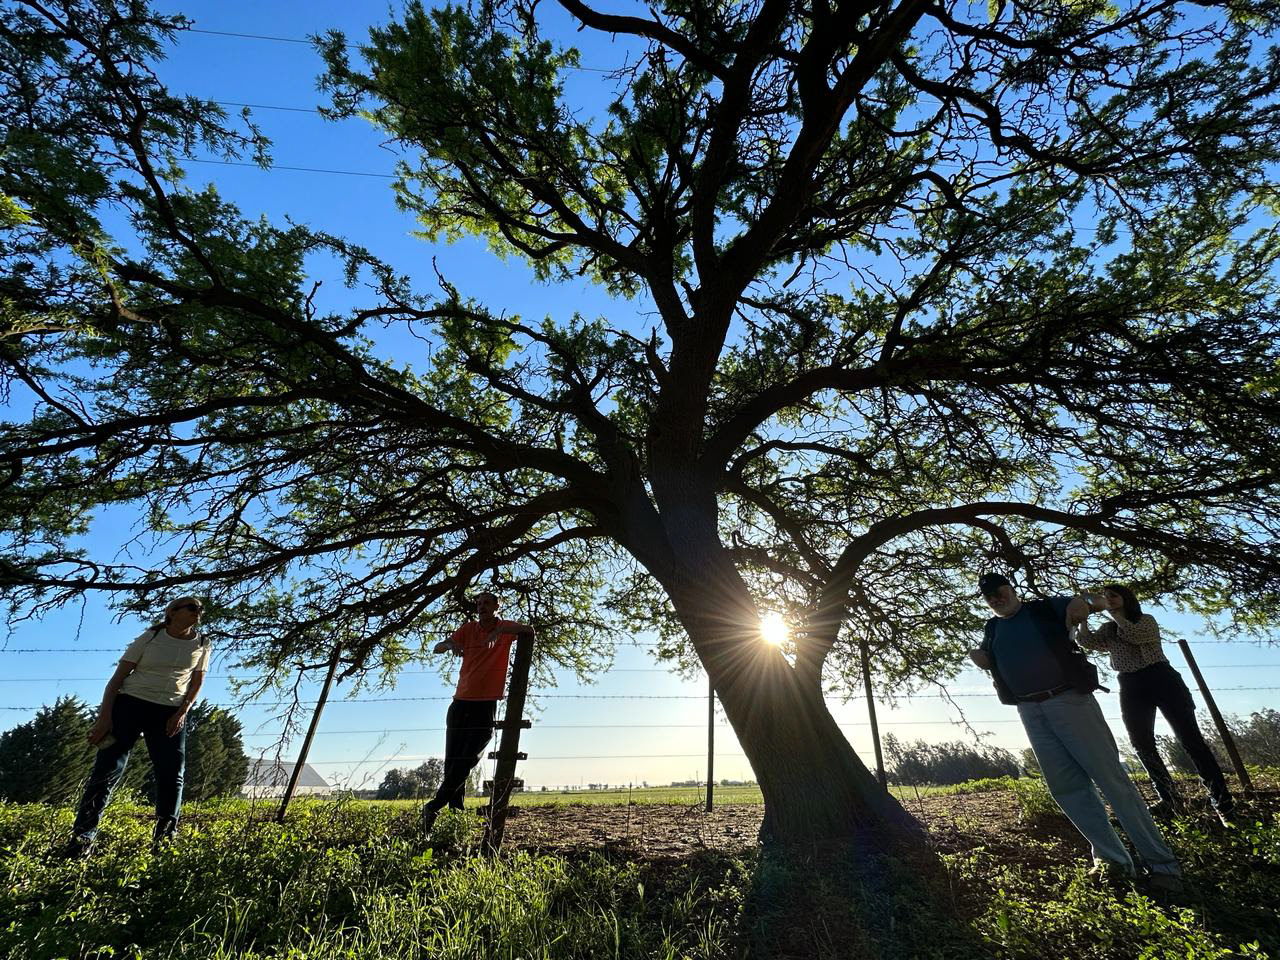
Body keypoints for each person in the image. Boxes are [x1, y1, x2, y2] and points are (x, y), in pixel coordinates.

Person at [969, 573, 1184, 893]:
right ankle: (1114, 862)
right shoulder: (993, 628)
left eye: (999, 591)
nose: (996, 599)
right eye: (989, 597)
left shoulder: (1043, 609)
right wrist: (980, 658)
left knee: (1111, 780)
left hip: (1068, 700)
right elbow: (990, 657)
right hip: (1029, 710)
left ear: (1011, 589)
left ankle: (1163, 865)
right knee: (1067, 788)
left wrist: (1084, 604)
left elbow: (1090, 604)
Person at [1078, 583, 1234, 824]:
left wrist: (1113, 614)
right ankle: (1169, 800)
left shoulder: (1145, 620)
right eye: (1105, 597)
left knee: (1191, 741)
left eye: (1114, 596)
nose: (1108, 600)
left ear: (1126, 598)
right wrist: (1084, 615)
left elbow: (1134, 635)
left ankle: (1223, 804)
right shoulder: (1108, 628)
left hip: (1162, 678)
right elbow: (1087, 641)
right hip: (1130, 684)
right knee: (1141, 743)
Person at [66, 596, 209, 857]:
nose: (197, 612)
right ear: (173, 612)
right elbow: (116, 680)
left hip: (170, 711)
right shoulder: (150, 638)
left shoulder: (202, 643)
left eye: (200, 609)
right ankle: (82, 840)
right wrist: (104, 717)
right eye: (191, 608)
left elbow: (197, 683)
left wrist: (182, 712)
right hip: (131, 704)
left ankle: (164, 841)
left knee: (171, 775)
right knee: (107, 771)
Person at [419, 591, 534, 836]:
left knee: (469, 757)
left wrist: (499, 632)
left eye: (486, 603)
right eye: (478, 603)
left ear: (496, 606)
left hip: (485, 703)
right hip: (460, 703)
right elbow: (439, 647)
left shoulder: (505, 628)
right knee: (453, 762)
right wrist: (450, 644)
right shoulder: (468, 628)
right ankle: (454, 814)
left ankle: (433, 806)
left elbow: (529, 630)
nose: (481, 606)